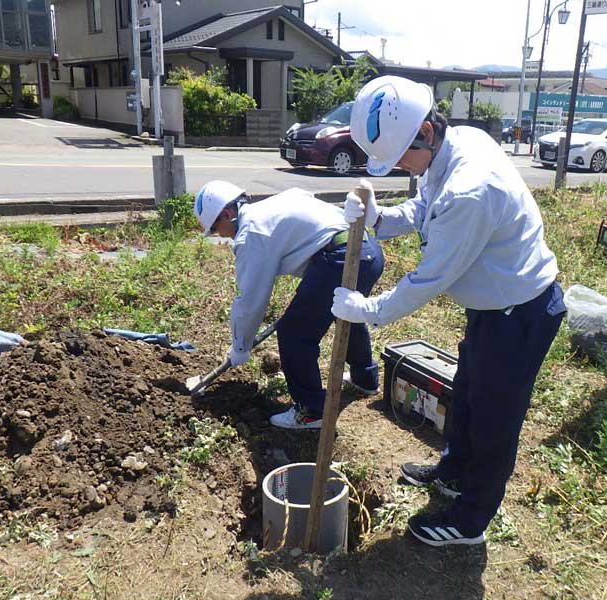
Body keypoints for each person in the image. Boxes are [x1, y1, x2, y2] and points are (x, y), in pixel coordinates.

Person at [331, 75, 566, 547]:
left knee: (497, 417)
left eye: (401, 156)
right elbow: (424, 208)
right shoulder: (456, 146)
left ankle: (470, 520)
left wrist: (368, 311)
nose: (399, 166)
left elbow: (429, 278)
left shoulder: (471, 189)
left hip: (520, 313)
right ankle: (454, 471)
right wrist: (381, 218)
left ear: (427, 132)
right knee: (470, 395)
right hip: (492, 309)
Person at [194, 181, 384, 430]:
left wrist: (240, 347)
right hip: (367, 251)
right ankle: (365, 378)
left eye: (216, 228)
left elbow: (250, 302)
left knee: (294, 333)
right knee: (346, 313)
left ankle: (311, 411)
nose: (220, 235)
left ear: (228, 214)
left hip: (340, 259)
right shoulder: (274, 205)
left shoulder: (252, 233)